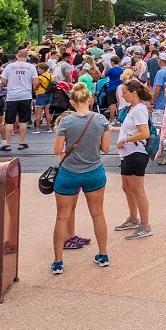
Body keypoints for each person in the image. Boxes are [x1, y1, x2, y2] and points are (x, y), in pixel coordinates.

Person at [51, 82, 112, 274]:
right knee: (98, 214)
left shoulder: (66, 122)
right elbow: (106, 148)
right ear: (90, 99)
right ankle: (102, 255)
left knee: (62, 217)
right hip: (93, 171)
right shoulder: (101, 120)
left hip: (69, 173)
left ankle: (58, 261)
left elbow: (57, 150)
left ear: (71, 102)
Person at [113, 79, 154, 240]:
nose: (123, 95)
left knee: (137, 190)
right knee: (127, 187)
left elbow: (144, 133)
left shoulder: (139, 109)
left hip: (135, 152)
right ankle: (133, 218)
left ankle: (145, 225)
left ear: (134, 93)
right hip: (128, 153)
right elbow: (131, 128)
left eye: (125, 93)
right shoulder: (134, 108)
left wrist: (126, 139)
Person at [0, 49, 38, 152]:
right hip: (25, 95)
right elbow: (35, 82)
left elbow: (3, 81)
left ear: (17, 56)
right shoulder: (31, 67)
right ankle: (21, 142)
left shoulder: (9, 66)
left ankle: (7, 144)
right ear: (27, 57)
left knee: (9, 121)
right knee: (23, 120)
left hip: (12, 96)